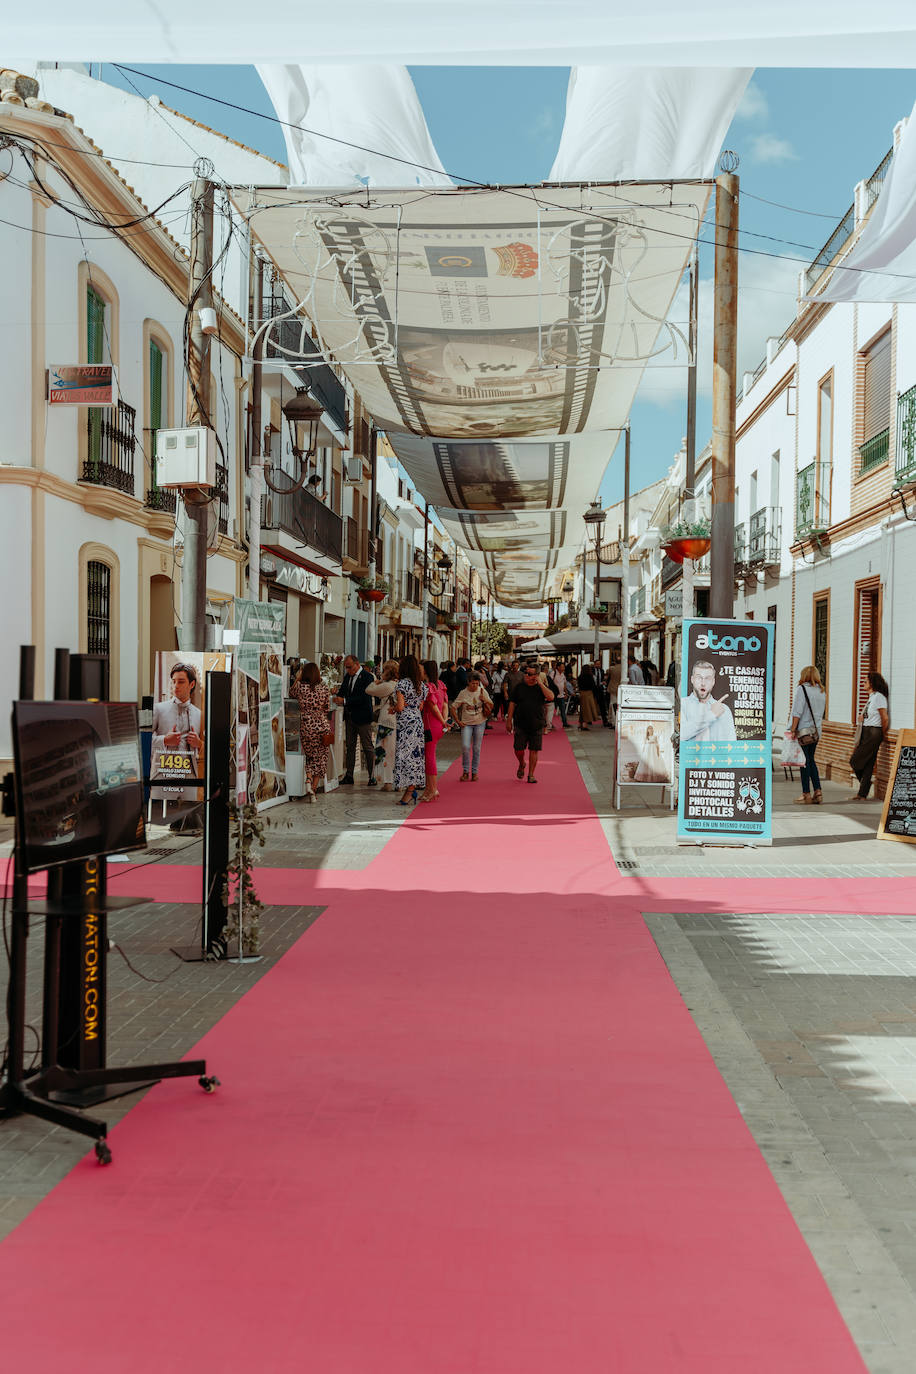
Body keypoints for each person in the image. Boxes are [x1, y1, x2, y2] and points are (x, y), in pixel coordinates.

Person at [289, 661, 332, 802]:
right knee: (321, 757)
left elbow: (291, 693)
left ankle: (308, 780)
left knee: (310, 755)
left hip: (307, 725)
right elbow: (327, 707)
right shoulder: (324, 688)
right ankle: (313, 788)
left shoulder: (300, 687)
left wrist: (298, 678)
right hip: (322, 724)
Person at [506, 660, 554, 782]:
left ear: (536, 675)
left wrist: (541, 684)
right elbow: (512, 703)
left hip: (537, 723)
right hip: (520, 723)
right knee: (518, 749)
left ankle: (531, 774)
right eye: (526, 673)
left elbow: (551, 697)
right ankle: (522, 763)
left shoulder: (540, 688)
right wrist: (509, 720)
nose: (526, 676)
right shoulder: (519, 687)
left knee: (534, 750)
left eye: (530, 674)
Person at [334, 655, 376, 786]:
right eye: (346, 667)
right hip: (350, 716)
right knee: (350, 747)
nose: (348, 670)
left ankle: (372, 776)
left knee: (367, 747)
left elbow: (364, 697)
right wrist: (337, 695)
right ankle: (349, 775)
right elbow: (343, 691)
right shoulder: (347, 677)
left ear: (357, 664)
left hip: (363, 717)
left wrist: (345, 701)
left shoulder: (367, 677)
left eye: (349, 667)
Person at [788, 665, 827, 805]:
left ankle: (806, 794)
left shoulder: (802, 689)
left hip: (804, 731)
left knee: (804, 762)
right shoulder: (822, 691)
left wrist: (793, 729)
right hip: (816, 732)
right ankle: (818, 791)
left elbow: (797, 712)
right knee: (810, 760)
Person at [849, 670, 890, 801]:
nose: (863, 683)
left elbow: (884, 718)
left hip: (874, 732)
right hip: (867, 731)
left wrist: (882, 733)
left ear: (872, 683)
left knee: (854, 760)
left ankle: (864, 785)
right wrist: (862, 718)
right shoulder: (871, 697)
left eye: (865, 681)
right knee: (868, 764)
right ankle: (862, 794)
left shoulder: (879, 697)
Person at [393, 654, 428, 804]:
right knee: (415, 757)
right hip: (417, 722)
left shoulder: (402, 684)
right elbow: (420, 706)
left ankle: (409, 792)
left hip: (405, 724)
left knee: (405, 756)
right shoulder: (422, 686)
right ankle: (411, 789)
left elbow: (400, 706)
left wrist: (394, 708)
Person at [680, 660, 736, 742]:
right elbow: (681, 735)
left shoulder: (724, 709)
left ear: (713, 682)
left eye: (708, 678)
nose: (703, 683)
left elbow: (731, 744)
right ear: (692, 679)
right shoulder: (683, 704)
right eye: (699, 677)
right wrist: (711, 715)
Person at [366, 659, 400, 791]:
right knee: (394, 752)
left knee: (385, 752)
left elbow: (369, 690)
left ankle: (388, 782)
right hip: (396, 721)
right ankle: (397, 782)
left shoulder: (387, 686)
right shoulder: (398, 684)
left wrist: (377, 681)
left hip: (387, 721)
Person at [452, 672, 493, 781]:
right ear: (468, 682)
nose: (475, 685)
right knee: (465, 747)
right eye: (473, 683)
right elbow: (453, 707)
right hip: (466, 724)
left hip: (480, 722)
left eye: (477, 683)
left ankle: (474, 772)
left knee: (476, 748)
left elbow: (491, 705)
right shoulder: (463, 693)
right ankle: (465, 771)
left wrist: (484, 700)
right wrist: (458, 721)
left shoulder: (481, 691)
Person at [420, 659, 450, 801]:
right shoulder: (440, 684)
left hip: (430, 725)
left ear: (425, 671)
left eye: (420, 669)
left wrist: (443, 720)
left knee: (429, 758)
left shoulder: (428, 686)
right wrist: (444, 721)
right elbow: (445, 705)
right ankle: (428, 788)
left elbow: (433, 707)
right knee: (428, 756)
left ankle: (433, 789)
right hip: (437, 725)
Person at [576, 662, 601, 731]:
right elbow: (593, 686)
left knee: (582, 710)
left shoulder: (580, 677)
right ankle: (584, 725)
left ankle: (580, 724)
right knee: (587, 710)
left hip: (582, 694)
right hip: (588, 694)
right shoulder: (590, 677)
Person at [548, 662, 571, 728]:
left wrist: (566, 693)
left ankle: (565, 723)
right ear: (558, 667)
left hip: (561, 695)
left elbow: (564, 684)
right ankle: (549, 723)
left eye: (564, 667)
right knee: (551, 711)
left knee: (563, 710)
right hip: (554, 695)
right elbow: (550, 683)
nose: (563, 668)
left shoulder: (563, 674)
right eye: (562, 667)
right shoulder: (553, 673)